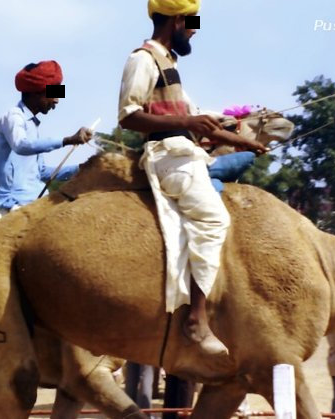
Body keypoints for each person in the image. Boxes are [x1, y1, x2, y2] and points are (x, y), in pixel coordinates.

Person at [118, 0, 268, 357]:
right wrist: (187, 124)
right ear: (177, 20)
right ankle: (196, 320)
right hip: (167, 158)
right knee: (215, 220)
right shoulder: (142, 58)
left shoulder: (170, 65)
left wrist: (241, 139)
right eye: (193, 22)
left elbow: (199, 119)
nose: (195, 30)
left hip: (185, 153)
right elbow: (128, 115)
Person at [0, 60, 92, 227]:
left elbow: (40, 172)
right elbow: (21, 145)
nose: (56, 101)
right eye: (54, 93)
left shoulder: (33, 126)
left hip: (35, 206)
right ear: (36, 93)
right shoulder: (13, 117)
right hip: (9, 210)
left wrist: (81, 169)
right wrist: (68, 140)